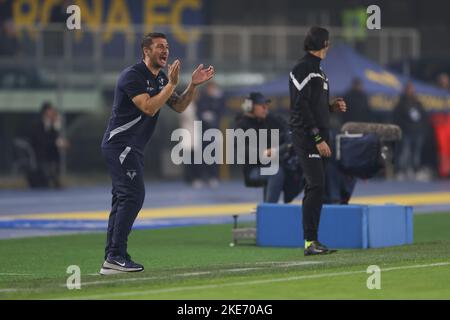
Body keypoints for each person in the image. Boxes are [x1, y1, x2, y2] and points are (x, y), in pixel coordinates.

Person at [100, 33, 214, 275]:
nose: (165, 51)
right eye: (160, 46)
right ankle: (115, 256)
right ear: (146, 51)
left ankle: (113, 256)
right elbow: (149, 108)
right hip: (120, 145)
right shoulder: (133, 76)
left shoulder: (161, 78)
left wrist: (192, 85)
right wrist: (171, 84)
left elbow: (180, 105)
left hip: (132, 147)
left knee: (122, 199)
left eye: (167, 47)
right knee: (133, 196)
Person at [289, 27, 347, 256]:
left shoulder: (318, 71)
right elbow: (301, 107)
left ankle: (312, 240)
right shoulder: (303, 69)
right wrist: (317, 138)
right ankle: (309, 242)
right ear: (324, 44)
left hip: (317, 134)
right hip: (307, 135)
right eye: (328, 42)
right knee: (316, 185)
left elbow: (313, 105)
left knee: (317, 187)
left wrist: (331, 107)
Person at [235, 92, 303, 203]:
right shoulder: (242, 125)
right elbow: (241, 150)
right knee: (275, 171)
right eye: (262, 105)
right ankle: (270, 210)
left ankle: (283, 201)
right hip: (254, 169)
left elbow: (288, 129)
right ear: (250, 106)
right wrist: (264, 153)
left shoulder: (270, 119)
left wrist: (288, 140)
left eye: (266, 105)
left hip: (277, 163)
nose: (265, 108)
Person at [393, 82, 428, 179]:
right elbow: (397, 118)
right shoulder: (401, 103)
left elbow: (424, 117)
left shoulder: (417, 103)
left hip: (418, 132)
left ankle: (414, 171)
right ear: (405, 90)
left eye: (412, 89)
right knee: (405, 152)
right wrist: (404, 127)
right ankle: (401, 171)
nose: (411, 91)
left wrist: (422, 128)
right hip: (406, 132)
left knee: (416, 153)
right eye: (409, 89)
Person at [29, 102, 68, 189]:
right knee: (46, 175)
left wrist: (56, 128)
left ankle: (55, 179)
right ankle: (50, 179)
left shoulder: (53, 125)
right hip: (41, 155)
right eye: (50, 111)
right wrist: (56, 142)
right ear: (45, 112)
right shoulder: (37, 124)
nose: (53, 113)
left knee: (54, 162)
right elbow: (42, 141)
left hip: (52, 155)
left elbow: (55, 139)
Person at [195, 82, 225, 187]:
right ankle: (199, 177)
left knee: (213, 154)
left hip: (213, 131)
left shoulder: (218, 98)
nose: (212, 90)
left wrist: (217, 99)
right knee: (201, 155)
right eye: (210, 88)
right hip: (202, 131)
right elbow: (198, 112)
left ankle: (213, 177)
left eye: (214, 88)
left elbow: (221, 111)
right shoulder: (202, 98)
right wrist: (204, 116)